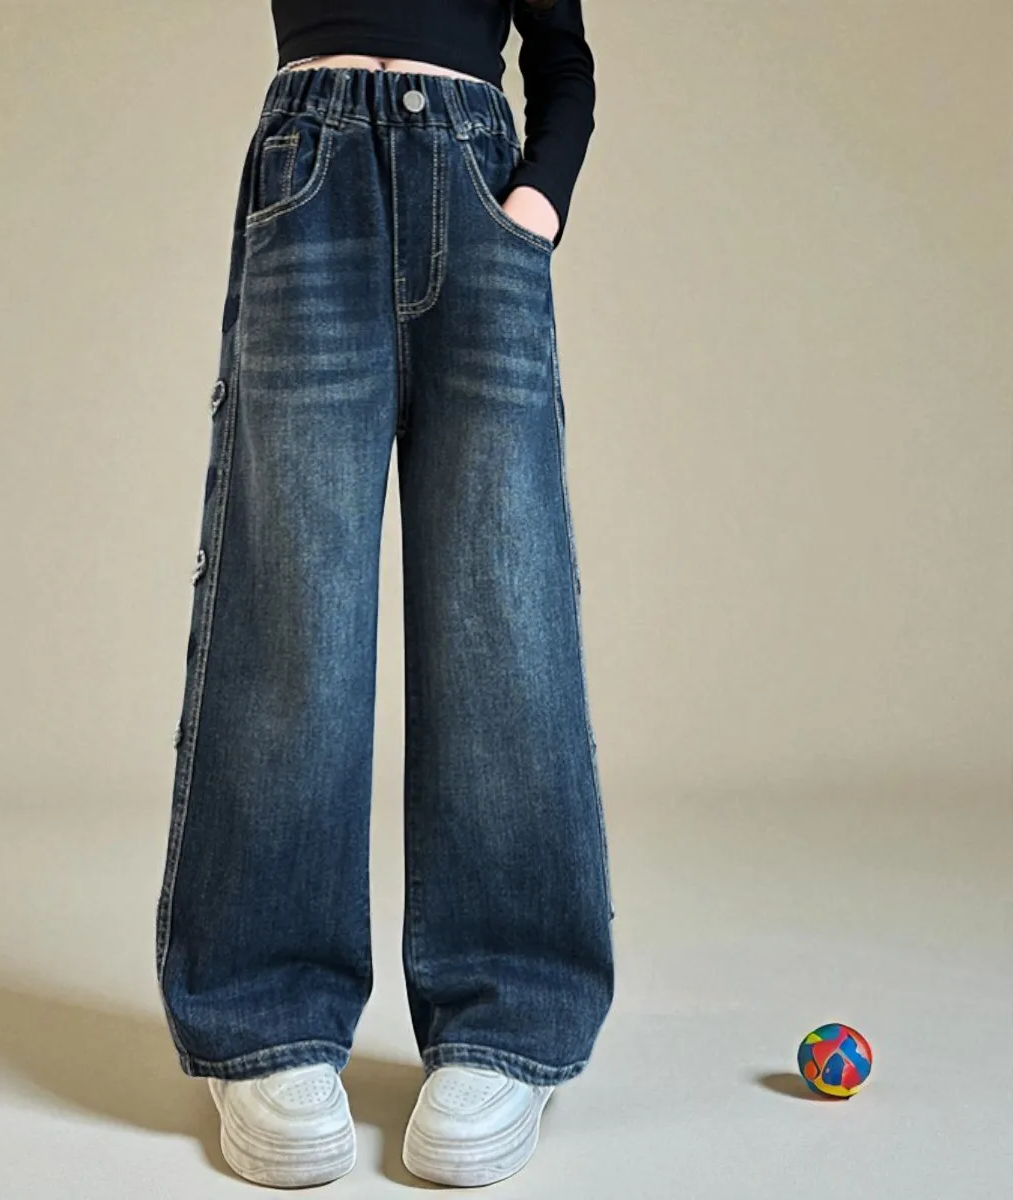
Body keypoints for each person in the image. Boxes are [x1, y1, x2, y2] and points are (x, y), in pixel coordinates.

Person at [154, 0, 615, 1187]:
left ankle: (509, 1016)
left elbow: (562, 59)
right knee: (291, 604)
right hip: (312, 167)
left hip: (480, 184)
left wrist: (535, 204)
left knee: (502, 606)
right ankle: (266, 1016)